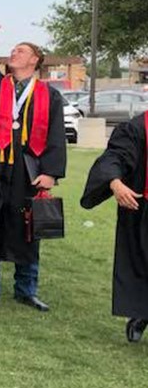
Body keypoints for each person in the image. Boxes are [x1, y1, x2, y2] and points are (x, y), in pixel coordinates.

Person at [0, 20, 66, 311]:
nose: (13, 53)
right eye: (13, 50)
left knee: (27, 229)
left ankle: (26, 289)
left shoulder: (49, 95)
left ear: (35, 60)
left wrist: (51, 172)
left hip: (28, 170)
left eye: (21, 50)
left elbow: (56, 134)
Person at [81, 112, 148, 343]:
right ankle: (141, 314)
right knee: (141, 266)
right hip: (142, 208)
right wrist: (114, 181)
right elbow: (115, 157)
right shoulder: (138, 128)